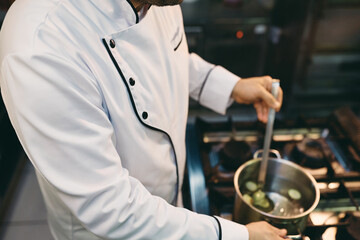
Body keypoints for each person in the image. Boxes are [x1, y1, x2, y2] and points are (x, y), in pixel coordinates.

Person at [0, 0, 286, 239]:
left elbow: (169, 55)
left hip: (169, 211)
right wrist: (236, 235)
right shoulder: (40, 48)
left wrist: (229, 86)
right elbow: (109, 206)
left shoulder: (160, 2)